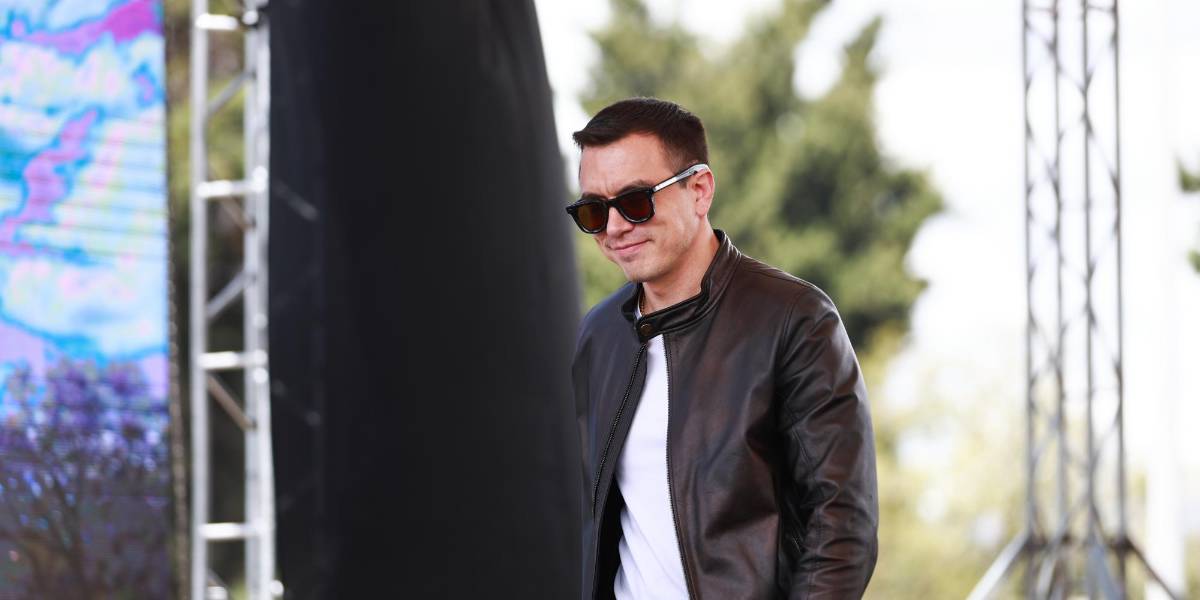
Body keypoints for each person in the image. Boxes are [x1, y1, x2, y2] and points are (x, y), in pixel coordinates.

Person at [568, 97, 879, 600]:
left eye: (635, 201)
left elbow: (842, 530)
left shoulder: (794, 319)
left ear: (699, 190)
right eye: (593, 211)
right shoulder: (599, 336)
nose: (615, 227)